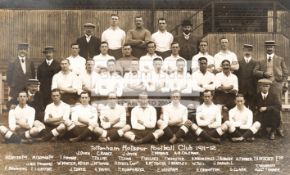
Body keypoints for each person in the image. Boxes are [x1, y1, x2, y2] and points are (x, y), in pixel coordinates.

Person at [254, 40, 288, 136]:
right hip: (264, 85)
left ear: (274, 48)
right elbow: (255, 72)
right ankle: (263, 127)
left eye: (271, 47)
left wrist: (284, 83)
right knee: (263, 105)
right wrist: (263, 73)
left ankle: (279, 128)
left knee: (278, 105)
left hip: (276, 85)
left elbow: (285, 72)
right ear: (265, 48)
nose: (269, 48)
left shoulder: (280, 59)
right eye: (268, 47)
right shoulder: (260, 60)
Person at [236, 44, 257, 111]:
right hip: (242, 90)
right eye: (245, 50)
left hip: (252, 90)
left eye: (249, 50)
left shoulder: (256, 63)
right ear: (243, 51)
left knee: (252, 109)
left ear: (252, 52)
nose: (247, 52)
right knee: (241, 108)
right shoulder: (238, 63)